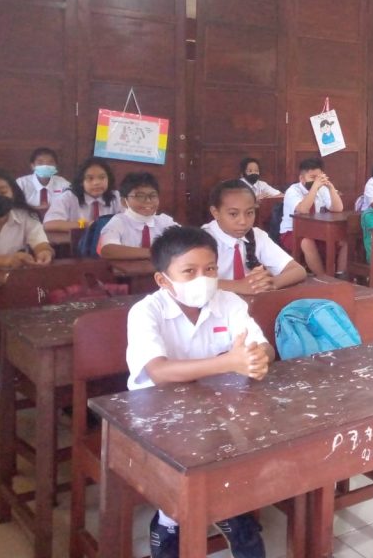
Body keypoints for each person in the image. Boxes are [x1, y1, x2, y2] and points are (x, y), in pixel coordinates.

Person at [126, 226, 272, 558]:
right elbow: (159, 372)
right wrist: (228, 362)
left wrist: (256, 358)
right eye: (189, 271)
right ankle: (170, 520)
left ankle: (229, 507)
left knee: (251, 436)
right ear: (163, 280)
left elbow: (262, 346)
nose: (202, 279)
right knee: (196, 452)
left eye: (210, 269)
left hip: (218, 408)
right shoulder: (146, 312)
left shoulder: (229, 302)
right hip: (155, 415)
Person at [204, 179, 307, 294]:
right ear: (215, 212)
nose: (243, 221)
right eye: (233, 214)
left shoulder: (256, 236)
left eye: (249, 213)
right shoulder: (201, 241)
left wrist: (271, 283)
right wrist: (238, 286)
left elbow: (298, 270)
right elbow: (191, 283)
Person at [279, 158, 345, 277]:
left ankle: (341, 275)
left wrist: (330, 188)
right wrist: (314, 188)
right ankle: (324, 278)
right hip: (291, 232)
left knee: (343, 239)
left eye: (319, 177)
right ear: (302, 178)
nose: (317, 181)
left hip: (317, 231)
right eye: (313, 177)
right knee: (307, 241)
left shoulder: (322, 189)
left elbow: (338, 208)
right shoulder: (293, 191)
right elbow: (303, 209)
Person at [0, 167, 54, 269]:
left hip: (16, 277)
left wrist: (44, 252)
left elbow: (40, 243)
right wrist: (3, 260)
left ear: (13, 193)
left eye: (3, 192)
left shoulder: (26, 216)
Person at [97, 172, 177, 260]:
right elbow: (108, 250)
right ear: (124, 201)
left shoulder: (165, 221)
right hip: (126, 269)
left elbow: (185, 242)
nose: (148, 200)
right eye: (140, 196)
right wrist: (155, 253)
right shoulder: (118, 221)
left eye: (153, 196)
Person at [42, 157, 122, 232]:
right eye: (90, 178)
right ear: (81, 182)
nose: (96, 183)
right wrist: (85, 224)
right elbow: (49, 224)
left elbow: (127, 221)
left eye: (102, 177)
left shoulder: (116, 196)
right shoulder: (68, 197)